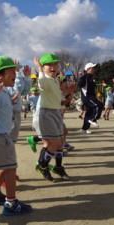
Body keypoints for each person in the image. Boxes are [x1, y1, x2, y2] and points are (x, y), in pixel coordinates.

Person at [0, 55, 32, 216]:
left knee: (4, 168)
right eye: (12, 71)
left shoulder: (2, 91)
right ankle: (11, 203)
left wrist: (8, 102)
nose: (15, 74)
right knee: (10, 169)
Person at [33, 53, 75, 182]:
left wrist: (66, 100)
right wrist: (39, 69)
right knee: (54, 142)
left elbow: (57, 100)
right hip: (46, 114)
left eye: (55, 64)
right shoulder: (44, 79)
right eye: (49, 65)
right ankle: (43, 165)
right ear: (43, 67)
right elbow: (41, 83)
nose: (53, 67)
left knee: (61, 141)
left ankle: (58, 167)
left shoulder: (54, 80)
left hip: (56, 112)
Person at [7, 64, 32, 142]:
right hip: (8, 113)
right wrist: (17, 73)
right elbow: (17, 90)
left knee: (12, 140)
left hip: (16, 113)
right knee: (8, 140)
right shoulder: (4, 85)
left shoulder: (15, 81)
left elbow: (24, 91)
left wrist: (27, 77)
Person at [78, 62, 104, 133]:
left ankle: (84, 129)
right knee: (99, 105)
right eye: (93, 68)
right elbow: (79, 85)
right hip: (87, 97)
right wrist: (81, 78)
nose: (94, 69)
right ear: (88, 69)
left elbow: (93, 88)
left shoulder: (91, 78)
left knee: (89, 112)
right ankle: (93, 119)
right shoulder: (85, 76)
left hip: (90, 97)